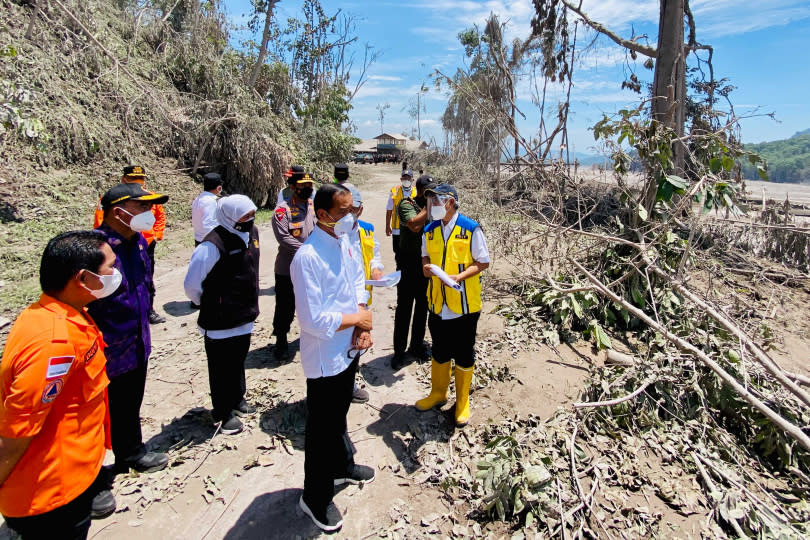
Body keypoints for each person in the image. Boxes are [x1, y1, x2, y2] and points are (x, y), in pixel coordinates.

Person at [0, 231, 117, 539]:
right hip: (54, 493)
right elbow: (16, 433)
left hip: (72, 474)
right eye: (110, 268)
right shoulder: (55, 344)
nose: (116, 275)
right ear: (83, 278)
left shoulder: (62, 313)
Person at [290, 184, 376, 533]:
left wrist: (361, 321)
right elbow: (312, 321)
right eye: (344, 212)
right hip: (325, 356)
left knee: (339, 415)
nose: (351, 217)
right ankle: (315, 497)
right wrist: (358, 320)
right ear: (323, 215)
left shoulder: (345, 240)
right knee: (322, 430)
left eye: (353, 209)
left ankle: (342, 466)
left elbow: (356, 280)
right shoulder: (307, 258)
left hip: (348, 348)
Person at [89, 183, 170, 473]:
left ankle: (131, 453)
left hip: (136, 340)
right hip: (104, 346)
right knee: (96, 414)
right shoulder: (95, 249)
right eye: (142, 207)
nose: (150, 212)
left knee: (128, 403)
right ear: (117, 211)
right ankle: (92, 476)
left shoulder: (138, 242)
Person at [184, 195, 260, 435]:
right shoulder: (212, 245)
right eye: (244, 216)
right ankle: (222, 412)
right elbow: (192, 284)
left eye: (251, 214)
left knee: (238, 361)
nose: (249, 220)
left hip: (244, 316)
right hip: (219, 320)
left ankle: (238, 400)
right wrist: (210, 303)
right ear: (228, 217)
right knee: (220, 368)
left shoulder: (253, 233)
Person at [416, 184, 490, 427]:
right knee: (439, 349)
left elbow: (483, 262)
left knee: (464, 352)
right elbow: (425, 255)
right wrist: (427, 266)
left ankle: (462, 402)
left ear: (450, 202)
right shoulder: (430, 230)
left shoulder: (470, 228)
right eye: (430, 201)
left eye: (435, 201)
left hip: (465, 304)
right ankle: (438, 393)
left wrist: (459, 277)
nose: (431, 206)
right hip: (438, 301)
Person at [94, 165, 167, 324]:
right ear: (123, 180)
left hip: (145, 243)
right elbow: (101, 220)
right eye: (133, 180)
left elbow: (160, 217)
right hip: (114, 336)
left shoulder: (149, 197)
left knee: (144, 279)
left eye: (141, 179)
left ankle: (148, 310)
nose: (138, 183)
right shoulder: (113, 199)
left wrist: (156, 235)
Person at [345, 185, 384, 404]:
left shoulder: (367, 229)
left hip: (363, 297)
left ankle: (349, 385)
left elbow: (375, 253)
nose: (351, 213)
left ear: (361, 210)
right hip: (340, 300)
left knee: (357, 342)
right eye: (346, 208)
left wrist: (377, 268)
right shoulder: (332, 231)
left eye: (354, 209)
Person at [271, 173, 316, 361]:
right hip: (288, 267)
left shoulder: (313, 206)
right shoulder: (283, 210)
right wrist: (308, 249)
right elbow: (283, 237)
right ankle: (281, 340)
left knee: (311, 303)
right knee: (285, 306)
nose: (307, 188)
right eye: (302, 185)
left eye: (309, 185)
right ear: (292, 187)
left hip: (311, 268)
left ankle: (312, 338)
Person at [391, 174, 434, 370]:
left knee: (422, 308)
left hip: (425, 263)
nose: (432, 195)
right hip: (408, 263)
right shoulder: (406, 205)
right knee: (404, 308)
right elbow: (415, 225)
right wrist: (430, 207)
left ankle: (416, 346)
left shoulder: (435, 209)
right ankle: (399, 352)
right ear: (420, 191)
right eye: (428, 192)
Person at [385, 169, 414, 268]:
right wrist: (387, 226)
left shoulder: (416, 191)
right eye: (404, 178)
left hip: (412, 229)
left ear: (412, 179)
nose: (406, 180)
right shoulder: (394, 191)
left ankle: (407, 273)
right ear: (401, 179)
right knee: (398, 253)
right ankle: (400, 273)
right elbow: (389, 209)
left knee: (410, 254)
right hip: (397, 230)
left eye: (408, 178)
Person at [192, 172, 223, 246]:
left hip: (199, 239)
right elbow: (208, 224)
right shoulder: (210, 201)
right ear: (219, 188)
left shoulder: (198, 199)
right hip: (208, 242)